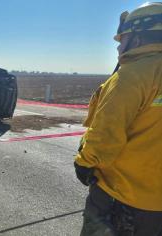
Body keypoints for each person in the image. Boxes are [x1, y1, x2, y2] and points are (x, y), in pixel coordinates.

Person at [74, 2, 162, 235]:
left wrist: (84, 163)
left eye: (121, 39)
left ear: (138, 38)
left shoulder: (131, 76)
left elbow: (105, 136)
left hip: (121, 197)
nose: (118, 48)